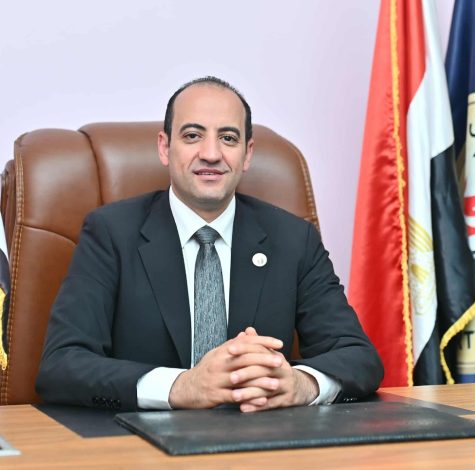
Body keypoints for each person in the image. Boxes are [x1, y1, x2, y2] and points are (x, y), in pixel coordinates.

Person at [36, 76, 383, 412]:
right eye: (192, 136)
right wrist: (182, 387)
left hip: (259, 437)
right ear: (164, 147)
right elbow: (62, 365)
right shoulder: (110, 233)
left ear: (247, 154)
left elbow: (358, 357)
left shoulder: (293, 239)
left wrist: (300, 384)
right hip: (141, 442)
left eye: (228, 138)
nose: (211, 153)